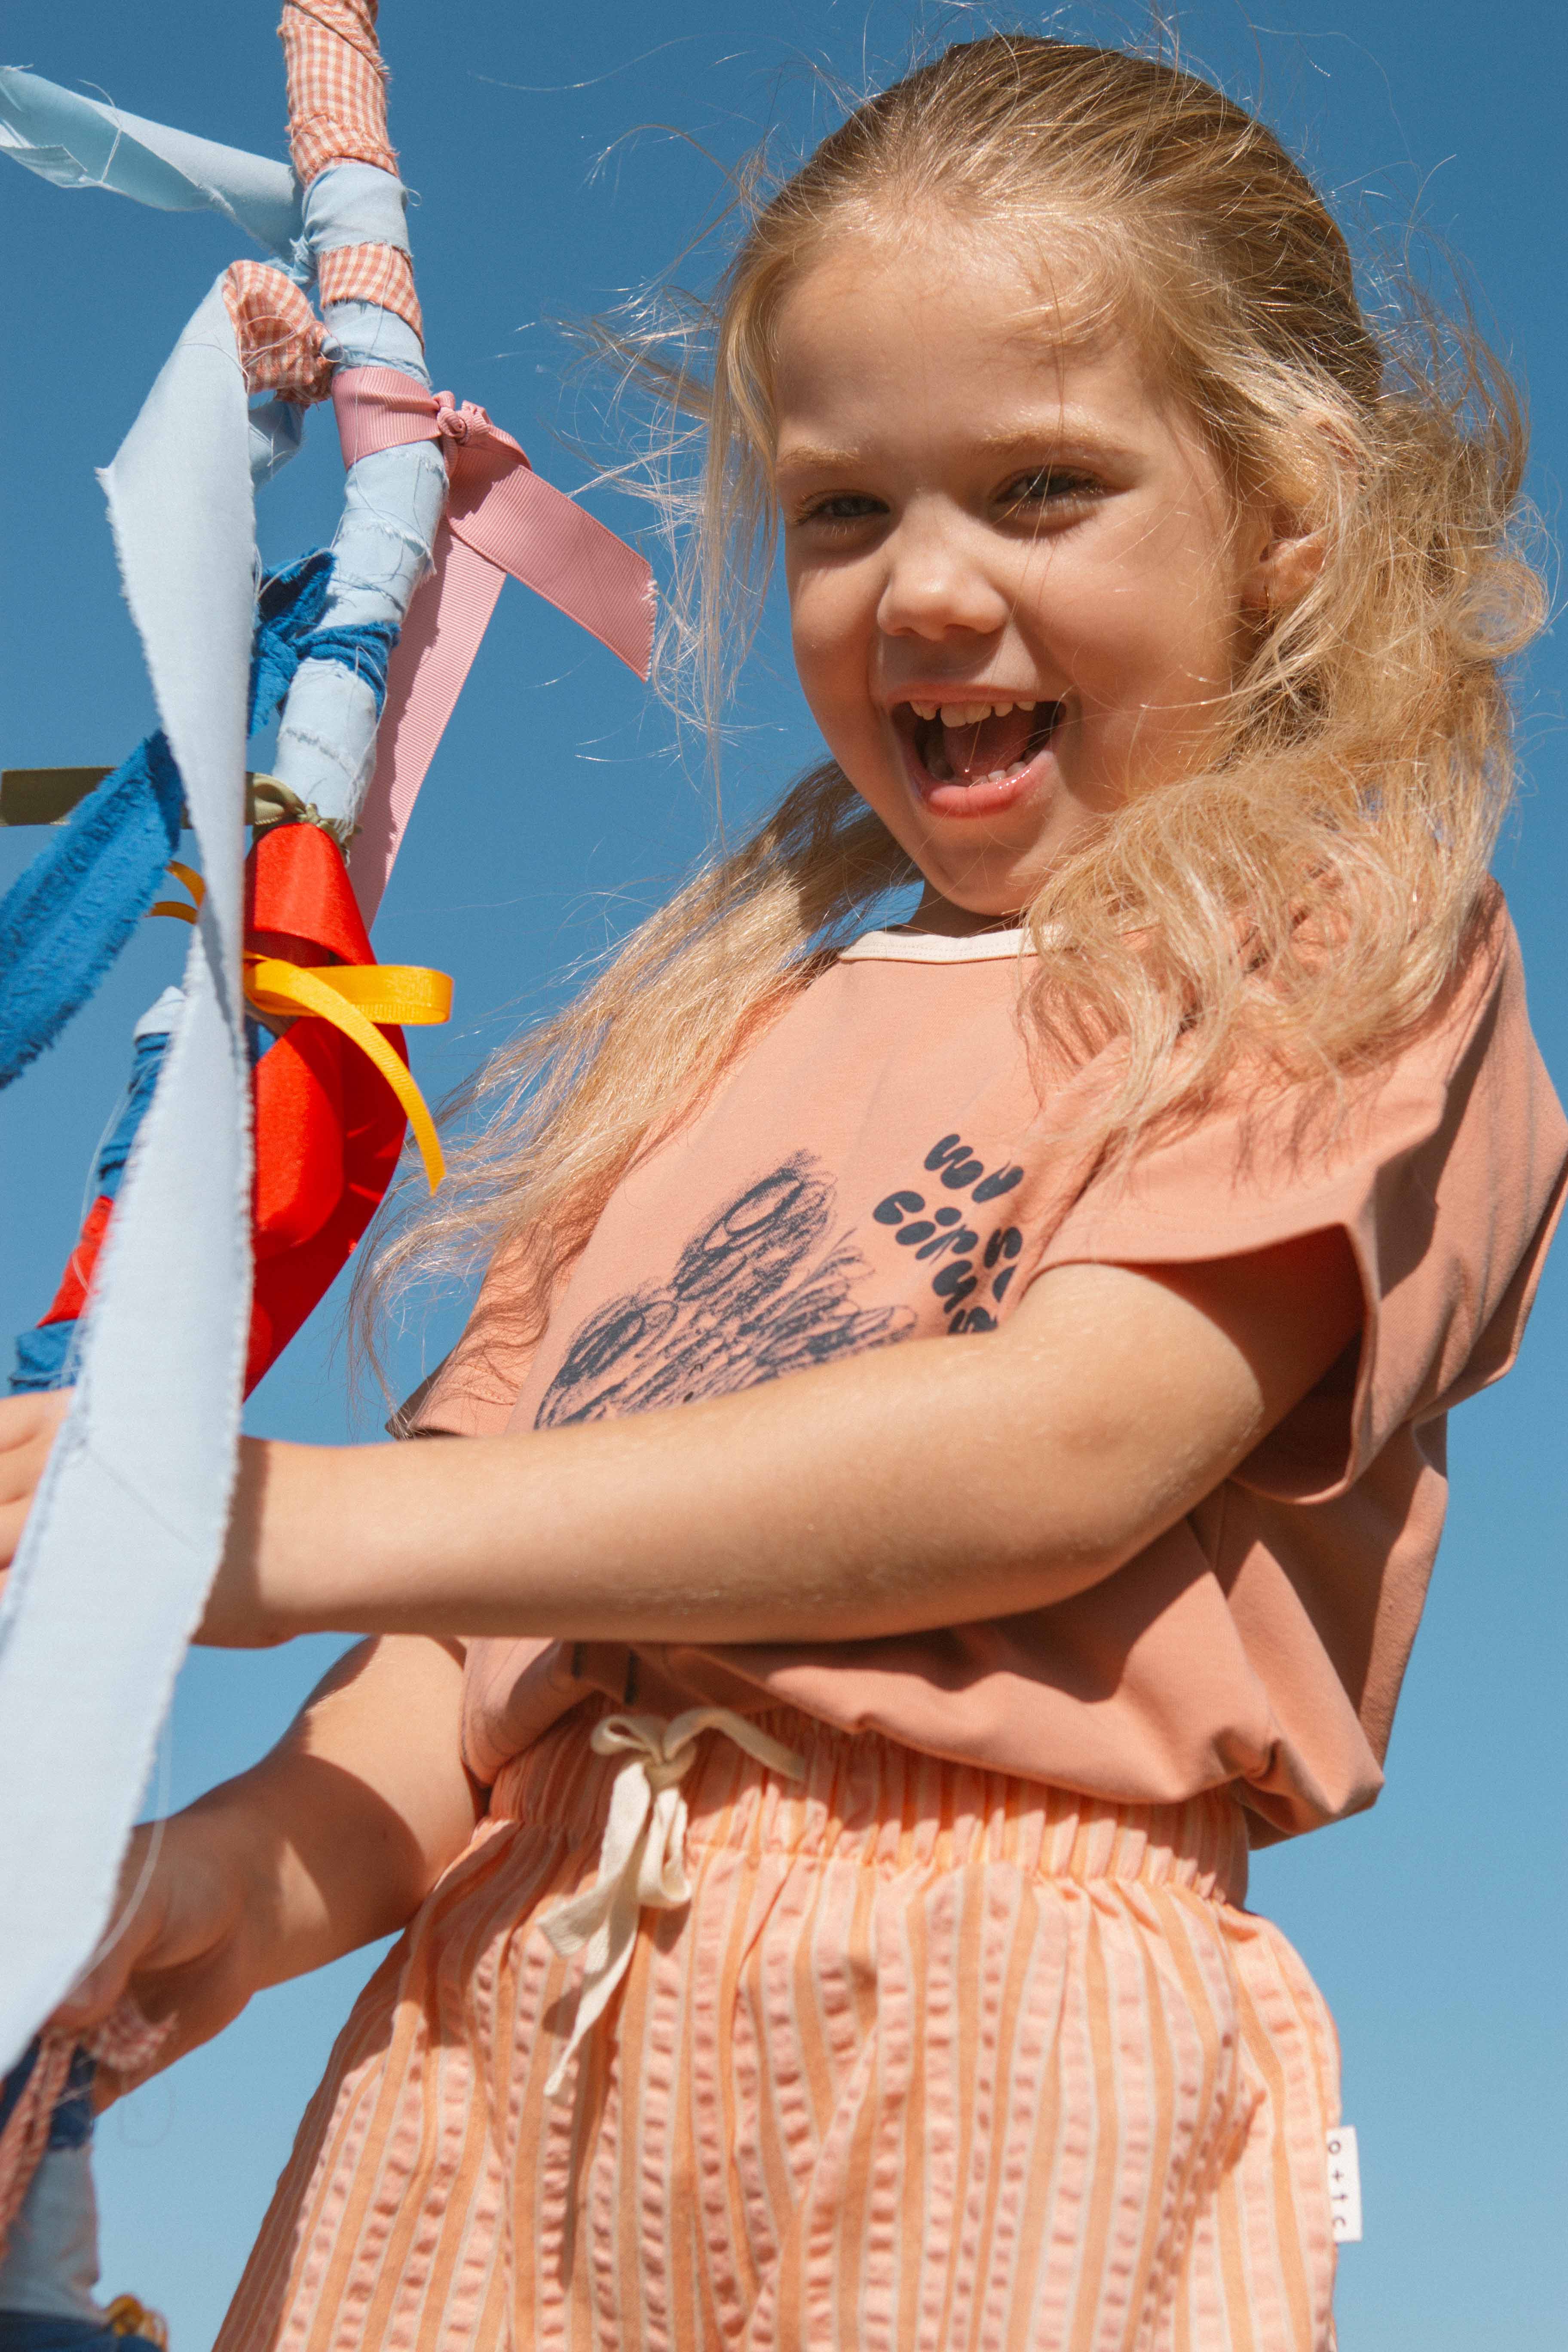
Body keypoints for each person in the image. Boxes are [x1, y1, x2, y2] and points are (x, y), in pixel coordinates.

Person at [1, 33, 1563, 2351]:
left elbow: (1062, 1448)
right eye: (843, 511)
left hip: (979, 2033)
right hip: (491, 2044)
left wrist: (266, 1525)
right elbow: (467, 1662)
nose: (925, 591)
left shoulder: (1332, 942)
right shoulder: (705, 1040)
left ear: (1282, 526)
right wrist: (236, 1868)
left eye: (1041, 489)